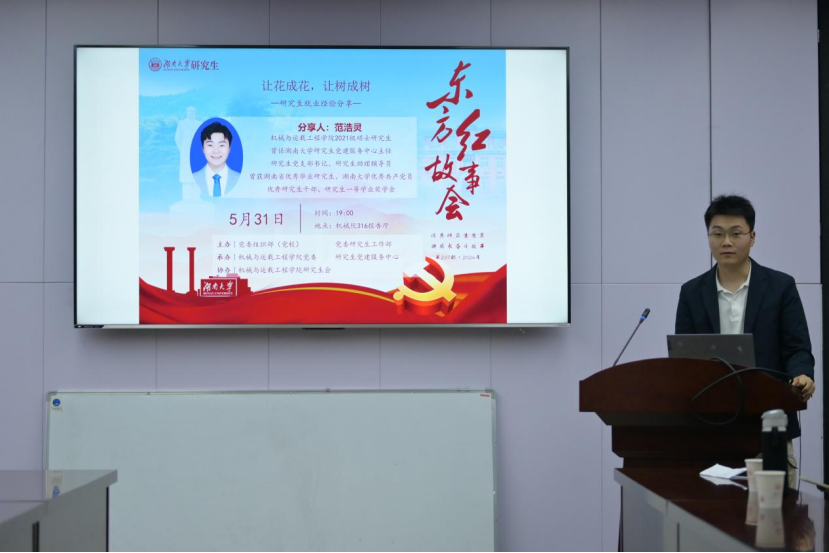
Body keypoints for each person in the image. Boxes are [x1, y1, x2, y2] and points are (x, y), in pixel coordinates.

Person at [675, 194, 815, 487]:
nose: (726, 242)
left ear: (752, 237)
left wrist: (802, 374)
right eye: (717, 233)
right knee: (711, 512)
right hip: (710, 425)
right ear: (708, 237)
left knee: (776, 514)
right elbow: (683, 358)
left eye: (736, 233)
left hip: (769, 422)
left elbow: (797, 348)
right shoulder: (691, 292)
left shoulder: (780, 286)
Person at [192, 121, 241, 200]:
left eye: (221, 145)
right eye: (210, 145)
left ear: (229, 149)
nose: (216, 151)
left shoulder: (240, 179)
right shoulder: (192, 179)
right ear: (203, 149)